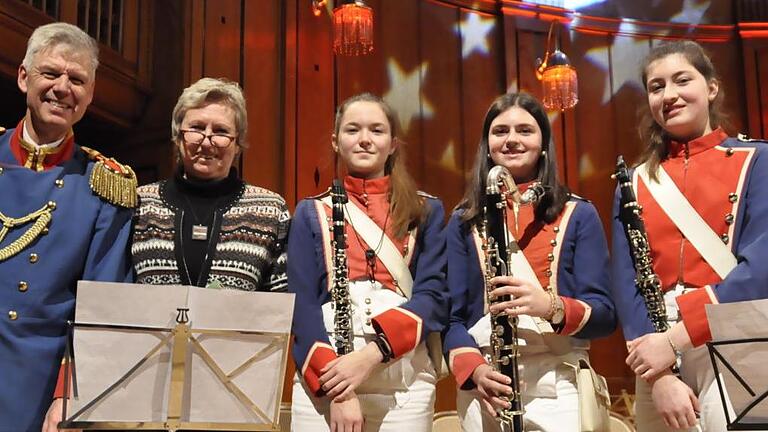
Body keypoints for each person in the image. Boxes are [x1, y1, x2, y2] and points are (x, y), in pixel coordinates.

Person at [611, 40, 768, 431]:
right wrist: (658, 374)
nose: (670, 94)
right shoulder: (631, 182)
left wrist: (677, 339)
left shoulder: (759, 161)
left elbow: (761, 269)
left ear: (711, 88)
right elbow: (626, 284)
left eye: (683, 80)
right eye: (656, 86)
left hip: (736, 336)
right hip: (654, 351)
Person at [443, 92, 616, 431]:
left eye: (525, 130)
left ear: (543, 143)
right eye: (500, 131)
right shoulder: (462, 220)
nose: (511, 140)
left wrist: (550, 306)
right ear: (487, 145)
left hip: (561, 385)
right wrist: (476, 371)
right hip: (487, 386)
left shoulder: (578, 213)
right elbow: (451, 318)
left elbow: (606, 315)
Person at [0, 22, 136, 431]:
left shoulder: (103, 185)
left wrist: (70, 395)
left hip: (36, 384)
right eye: (51, 73)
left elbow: (103, 305)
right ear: (24, 77)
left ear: (90, 95)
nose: (63, 88)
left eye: (77, 80)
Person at [287, 93, 449, 431]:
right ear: (336, 141)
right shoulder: (309, 212)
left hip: (403, 382)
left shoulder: (427, 210)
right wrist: (339, 392)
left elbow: (433, 296)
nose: (364, 139)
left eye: (376, 130)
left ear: (392, 144)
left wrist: (371, 355)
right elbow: (301, 307)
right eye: (352, 130)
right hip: (327, 378)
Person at [131, 77, 289, 293]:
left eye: (221, 131)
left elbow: (280, 302)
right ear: (178, 137)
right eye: (196, 128)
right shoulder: (140, 202)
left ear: (238, 144)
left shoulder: (271, 210)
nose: (206, 142)